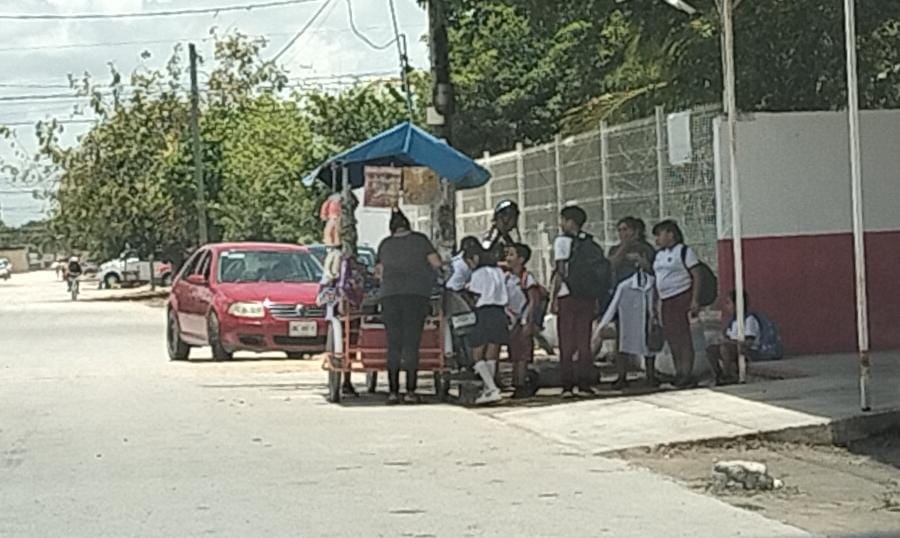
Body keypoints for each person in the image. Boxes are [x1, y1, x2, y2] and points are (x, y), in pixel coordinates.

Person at [375, 209, 443, 404]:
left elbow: (378, 272)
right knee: (412, 344)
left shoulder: (385, 244)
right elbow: (436, 263)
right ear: (408, 225)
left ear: (392, 228)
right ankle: (411, 391)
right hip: (416, 295)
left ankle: (393, 392)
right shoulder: (420, 240)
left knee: (393, 344)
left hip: (390, 297)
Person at [551, 205, 606, 398]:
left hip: (568, 295)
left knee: (566, 341)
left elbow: (560, 271)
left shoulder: (562, 242)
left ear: (570, 222)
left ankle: (567, 385)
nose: (561, 224)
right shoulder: (589, 243)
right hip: (587, 297)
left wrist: (553, 298)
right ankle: (585, 383)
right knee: (584, 341)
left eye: (563, 220)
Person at [652, 219, 704, 388]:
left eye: (660, 234)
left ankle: (686, 372)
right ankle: (678, 371)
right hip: (666, 300)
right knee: (672, 337)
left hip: (681, 296)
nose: (657, 239)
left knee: (684, 337)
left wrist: (695, 299)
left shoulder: (684, 252)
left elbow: (697, 275)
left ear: (670, 234)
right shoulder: (658, 256)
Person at [596, 268, 658, 390]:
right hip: (628, 320)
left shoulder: (654, 284)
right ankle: (622, 376)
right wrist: (603, 324)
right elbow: (613, 305)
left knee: (650, 346)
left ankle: (650, 375)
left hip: (648, 319)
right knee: (623, 346)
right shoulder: (624, 286)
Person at [464, 243, 509, 405]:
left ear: (474, 259)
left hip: (483, 312)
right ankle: (488, 388)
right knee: (492, 353)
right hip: (499, 312)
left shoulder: (478, 274)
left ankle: (492, 388)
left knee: (477, 354)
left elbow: (475, 295)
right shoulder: (498, 271)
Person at [505, 243, 544, 399]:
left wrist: (529, 322)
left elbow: (533, 301)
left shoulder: (527, 278)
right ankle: (516, 382)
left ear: (521, 259)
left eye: (512, 254)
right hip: (511, 321)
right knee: (514, 354)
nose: (508, 258)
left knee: (522, 355)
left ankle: (521, 384)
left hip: (522, 321)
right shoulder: (507, 277)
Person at [707, 290, 760, 386]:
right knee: (711, 349)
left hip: (748, 350)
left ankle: (728, 376)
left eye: (729, 303)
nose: (727, 306)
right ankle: (718, 374)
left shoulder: (749, 319)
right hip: (732, 348)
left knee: (725, 347)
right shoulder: (732, 322)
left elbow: (749, 342)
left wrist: (729, 342)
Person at [609, 217, 656, 283]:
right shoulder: (614, 249)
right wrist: (625, 246)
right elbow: (610, 265)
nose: (622, 233)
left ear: (635, 231)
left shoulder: (646, 248)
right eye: (619, 230)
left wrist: (640, 260)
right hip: (620, 284)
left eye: (625, 229)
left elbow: (652, 270)